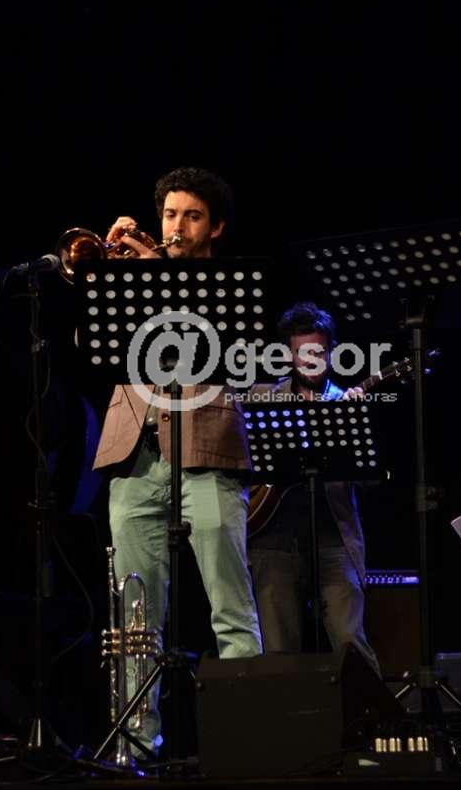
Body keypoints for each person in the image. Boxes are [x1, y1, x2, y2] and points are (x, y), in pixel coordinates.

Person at [92, 166, 261, 757]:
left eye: (192, 216)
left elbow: (225, 354)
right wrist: (107, 268)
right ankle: (136, 744)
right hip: (135, 457)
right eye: (169, 215)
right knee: (136, 618)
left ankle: (247, 744)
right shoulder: (128, 277)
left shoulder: (229, 286)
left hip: (208, 450)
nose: (177, 227)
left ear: (215, 227)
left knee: (230, 608)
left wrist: (155, 274)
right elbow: (91, 341)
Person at [246, 302, 379, 676]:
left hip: (333, 541)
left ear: (331, 351)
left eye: (318, 353)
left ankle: (370, 714)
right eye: (302, 353)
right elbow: (241, 466)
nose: (310, 362)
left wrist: (354, 425)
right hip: (273, 541)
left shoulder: (347, 401)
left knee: (351, 643)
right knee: (278, 656)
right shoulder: (261, 396)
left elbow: (369, 480)